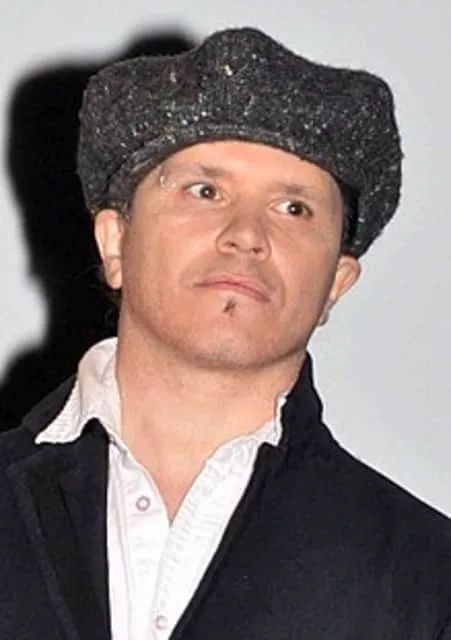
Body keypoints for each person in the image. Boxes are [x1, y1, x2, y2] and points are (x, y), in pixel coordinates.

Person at [1, 26, 450, 640]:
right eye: (205, 191)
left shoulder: (426, 580)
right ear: (115, 243)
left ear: (336, 283)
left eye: (293, 208)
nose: (246, 235)